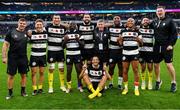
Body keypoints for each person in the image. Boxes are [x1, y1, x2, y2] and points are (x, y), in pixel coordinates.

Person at [2, 18, 29, 99]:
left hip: (23, 58)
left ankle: (23, 91)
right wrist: (4, 57)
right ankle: (10, 93)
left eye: (24, 24)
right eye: (21, 23)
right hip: (12, 58)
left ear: (26, 25)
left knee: (24, 75)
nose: (22, 25)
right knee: (11, 76)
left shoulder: (27, 33)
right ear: (18, 23)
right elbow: (5, 45)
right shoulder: (11, 32)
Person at [153, 6, 177, 92]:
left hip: (166, 47)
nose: (159, 12)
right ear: (156, 12)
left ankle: (173, 82)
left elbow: (174, 34)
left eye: (161, 11)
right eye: (158, 11)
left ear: (164, 11)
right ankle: (158, 81)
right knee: (155, 64)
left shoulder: (170, 21)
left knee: (168, 65)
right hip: (156, 46)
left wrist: (171, 44)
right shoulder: (155, 21)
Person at [118, 18, 142, 96]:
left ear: (134, 23)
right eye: (129, 21)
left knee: (135, 70)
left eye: (132, 21)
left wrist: (139, 40)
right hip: (125, 53)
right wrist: (119, 40)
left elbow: (142, 44)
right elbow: (120, 44)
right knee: (125, 71)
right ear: (127, 23)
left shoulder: (138, 32)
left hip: (134, 53)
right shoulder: (122, 32)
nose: (130, 22)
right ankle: (126, 88)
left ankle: (136, 88)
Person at [46, 15, 67, 93]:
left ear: (60, 19)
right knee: (51, 68)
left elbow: (65, 39)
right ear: (52, 19)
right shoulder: (48, 27)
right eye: (55, 18)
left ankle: (62, 85)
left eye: (58, 18)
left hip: (60, 51)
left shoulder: (63, 28)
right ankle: (50, 87)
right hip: (51, 50)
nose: (56, 19)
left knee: (61, 68)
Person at [62, 22, 84, 93]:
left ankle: (79, 86)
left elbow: (83, 45)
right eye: (71, 24)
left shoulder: (79, 33)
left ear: (76, 26)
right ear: (68, 26)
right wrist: (65, 40)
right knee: (69, 71)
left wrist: (78, 40)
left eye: (74, 24)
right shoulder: (65, 33)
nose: (72, 26)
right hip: (69, 54)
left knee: (79, 70)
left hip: (77, 54)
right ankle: (69, 87)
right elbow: (62, 46)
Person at [28, 19, 48, 95]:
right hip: (34, 56)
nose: (39, 26)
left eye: (40, 24)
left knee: (42, 72)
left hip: (43, 56)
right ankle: (34, 89)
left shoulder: (46, 33)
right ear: (35, 25)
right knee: (33, 73)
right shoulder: (31, 33)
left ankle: (40, 88)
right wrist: (29, 37)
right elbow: (28, 42)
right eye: (37, 25)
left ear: (43, 25)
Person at [108, 15, 125, 89]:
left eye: (118, 18)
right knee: (111, 67)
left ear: (120, 20)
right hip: (112, 50)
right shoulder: (109, 28)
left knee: (120, 67)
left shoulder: (124, 28)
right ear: (113, 20)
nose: (116, 19)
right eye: (115, 18)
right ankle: (110, 83)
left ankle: (119, 84)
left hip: (121, 50)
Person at [139, 17, 154, 90]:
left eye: (147, 20)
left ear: (149, 22)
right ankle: (143, 81)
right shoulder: (138, 29)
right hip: (141, 51)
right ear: (141, 22)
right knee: (143, 67)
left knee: (150, 67)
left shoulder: (152, 29)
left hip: (150, 51)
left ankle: (150, 81)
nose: (145, 21)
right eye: (144, 20)